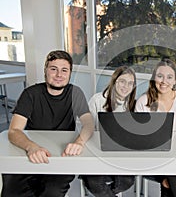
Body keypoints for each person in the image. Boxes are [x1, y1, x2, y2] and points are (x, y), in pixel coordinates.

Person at [1, 50, 94, 197]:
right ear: (45, 71)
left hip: (60, 156)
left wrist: (79, 142)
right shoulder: (30, 94)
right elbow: (14, 131)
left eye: (64, 70)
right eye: (53, 69)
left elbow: (89, 124)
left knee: (52, 191)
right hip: (30, 151)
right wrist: (31, 147)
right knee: (12, 191)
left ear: (70, 73)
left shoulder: (75, 93)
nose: (59, 75)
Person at [135, 59, 176, 197]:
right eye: (160, 76)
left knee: (171, 179)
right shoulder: (143, 102)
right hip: (153, 155)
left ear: (175, 81)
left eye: (169, 77)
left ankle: (165, 178)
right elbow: (141, 137)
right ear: (154, 78)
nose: (164, 81)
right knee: (174, 176)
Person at [81, 66, 136, 197]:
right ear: (114, 81)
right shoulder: (97, 100)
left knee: (127, 181)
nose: (126, 86)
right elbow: (88, 129)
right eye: (122, 81)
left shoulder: (134, 105)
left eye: (130, 83)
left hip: (121, 156)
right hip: (97, 153)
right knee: (95, 183)